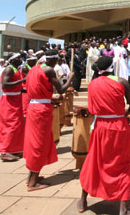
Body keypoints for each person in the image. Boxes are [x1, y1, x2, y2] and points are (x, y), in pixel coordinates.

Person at [77, 56, 130, 214]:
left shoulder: (92, 84)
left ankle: (83, 200)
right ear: (113, 67)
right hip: (118, 126)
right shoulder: (122, 81)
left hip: (100, 127)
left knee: (93, 161)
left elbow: (91, 110)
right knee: (122, 164)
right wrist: (123, 113)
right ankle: (123, 208)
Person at [24, 50, 74, 191]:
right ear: (53, 60)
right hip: (41, 110)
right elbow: (61, 89)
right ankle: (33, 182)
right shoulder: (48, 70)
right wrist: (70, 78)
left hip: (34, 106)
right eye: (57, 60)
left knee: (34, 142)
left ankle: (31, 176)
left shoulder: (34, 69)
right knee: (39, 143)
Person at [0, 53, 26, 162]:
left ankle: (14, 148)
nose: (20, 59)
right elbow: (5, 84)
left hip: (16, 98)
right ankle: (5, 151)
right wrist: (22, 81)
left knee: (17, 125)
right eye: (18, 57)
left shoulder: (15, 69)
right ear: (12, 60)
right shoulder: (9, 70)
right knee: (10, 125)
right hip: (9, 101)